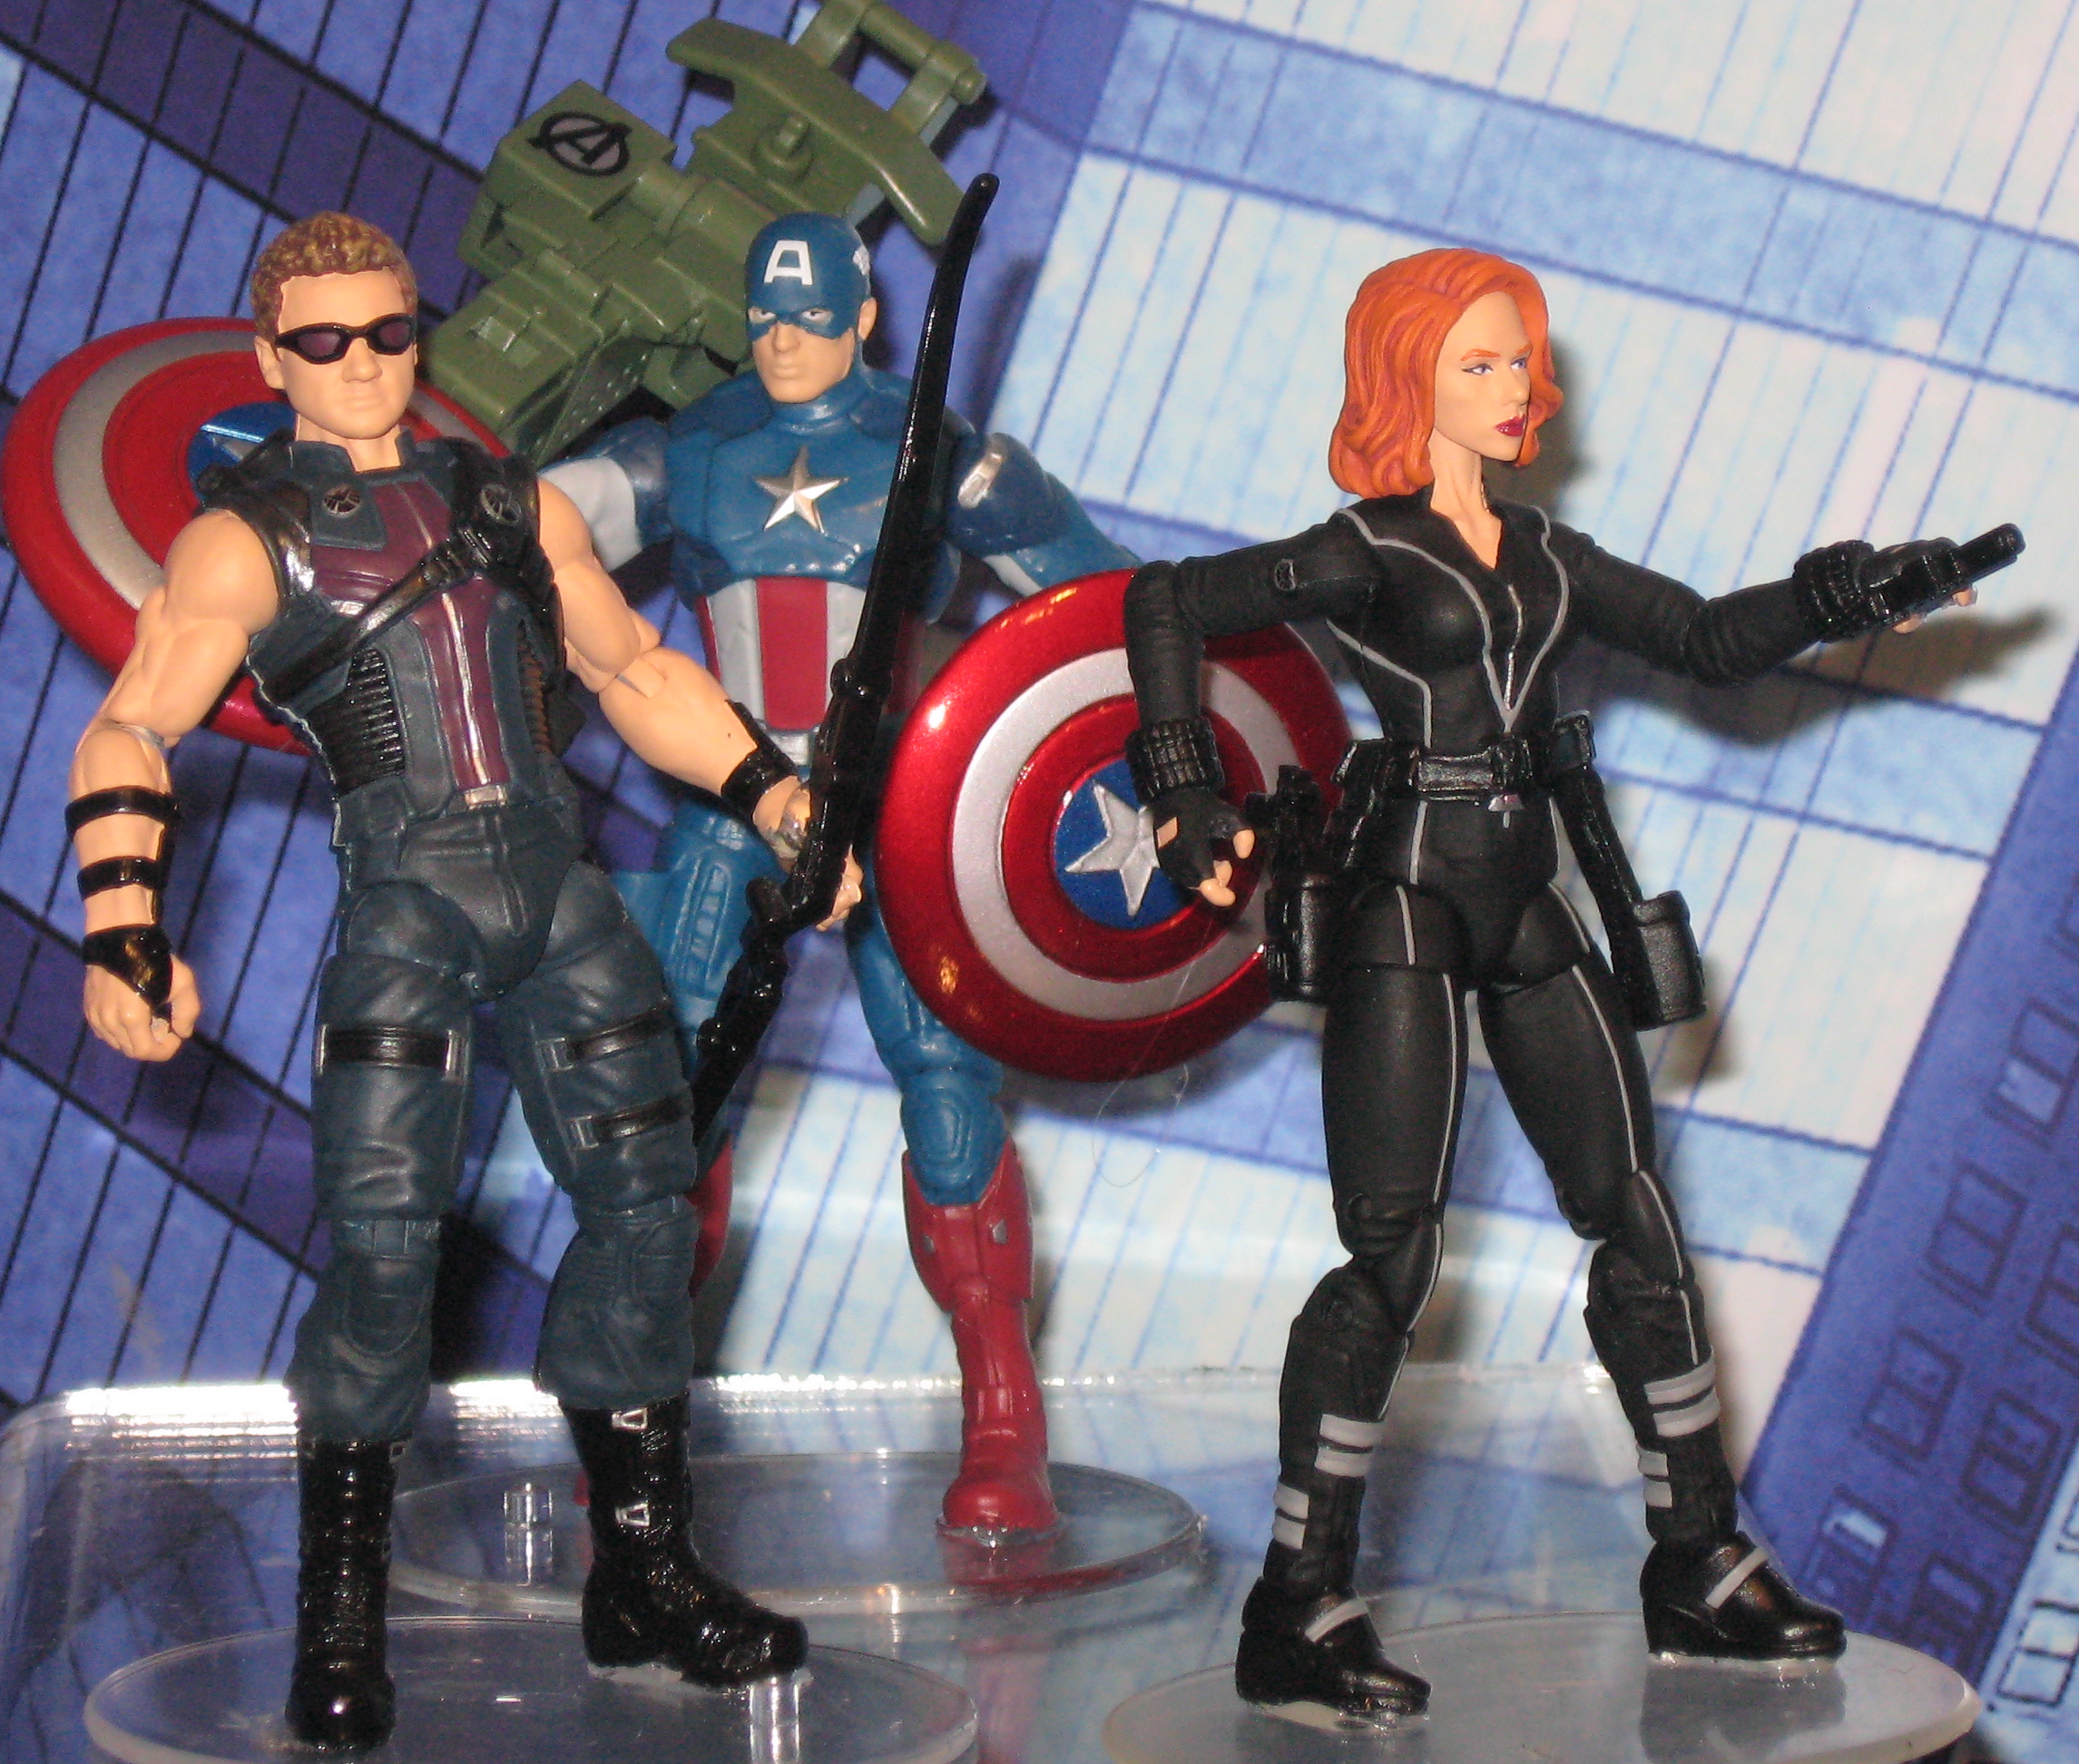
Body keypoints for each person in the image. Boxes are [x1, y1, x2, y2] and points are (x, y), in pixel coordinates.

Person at [1122, 247, 1986, 1726]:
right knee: (1390, 1257)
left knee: (1636, 1215)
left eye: (1522, 358)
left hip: (1527, 899)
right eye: (1482, 361)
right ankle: (1297, 1602)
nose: (1518, 385)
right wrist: (1184, 790)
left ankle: (1699, 1558)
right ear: (1409, 379)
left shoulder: (1546, 555)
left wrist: (1840, 593)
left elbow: (1704, 639)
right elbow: (1164, 599)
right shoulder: (1361, 552)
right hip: (1402, 899)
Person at [67, 212, 856, 1749]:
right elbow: (132, 726)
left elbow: (631, 669)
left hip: (558, 890)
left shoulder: (506, 501)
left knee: (649, 1210)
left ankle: (643, 1572)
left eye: (389, 330)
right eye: (324, 339)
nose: (364, 362)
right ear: (269, 356)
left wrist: (776, 797)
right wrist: (122, 925)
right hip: (409, 905)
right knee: (382, 1254)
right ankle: (341, 1615)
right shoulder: (244, 541)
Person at [544, 212, 1134, 1536]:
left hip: (896, 812)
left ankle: (1002, 1413)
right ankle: (633, 1411)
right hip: (728, 800)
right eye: (765, 316)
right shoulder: (690, 446)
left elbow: (1108, 611)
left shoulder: (953, 463)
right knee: (668, 1103)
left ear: (865, 317)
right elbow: (530, 523)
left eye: (811, 317)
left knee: (945, 1085)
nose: (784, 341)